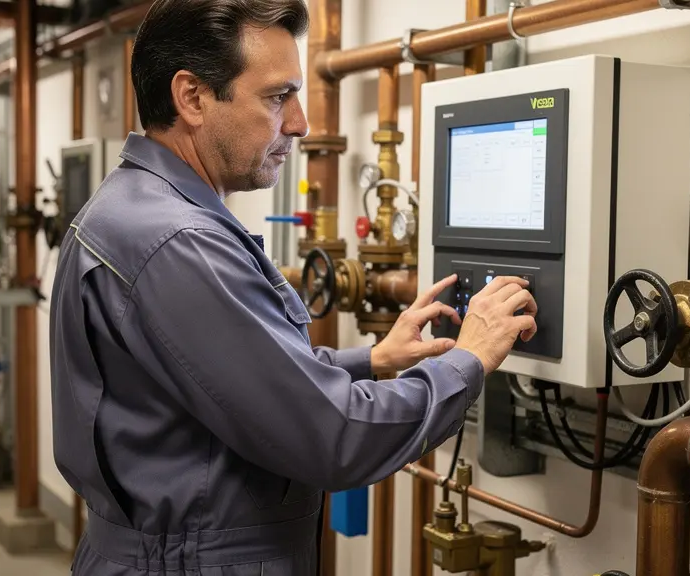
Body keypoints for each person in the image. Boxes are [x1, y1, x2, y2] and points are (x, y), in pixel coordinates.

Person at [49, 0, 538, 574]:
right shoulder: (180, 242)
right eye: (278, 96)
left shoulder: (130, 210)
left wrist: (372, 360)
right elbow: (335, 438)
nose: (301, 122)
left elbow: (232, 374)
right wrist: (470, 359)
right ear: (192, 97)